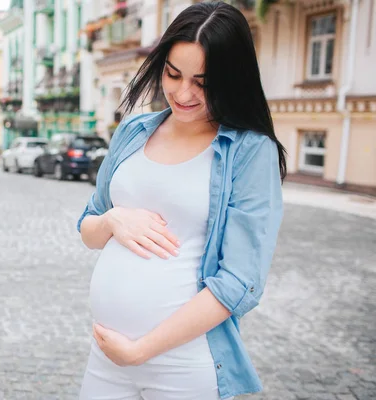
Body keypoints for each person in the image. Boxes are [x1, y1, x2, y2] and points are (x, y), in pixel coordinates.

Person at [76, 2, 287, 400]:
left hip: (183, 364)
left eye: (203, 82)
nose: (183, 93)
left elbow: (239, 283)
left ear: (232, 80)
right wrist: (113, 220)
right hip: (106, 355)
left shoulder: (249, 151)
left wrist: (140, 351)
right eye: (173, 74)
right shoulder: (134, 130)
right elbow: (89, 227)